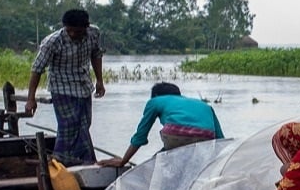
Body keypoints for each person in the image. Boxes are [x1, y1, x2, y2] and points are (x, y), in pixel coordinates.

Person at [25, 9, 106, 165]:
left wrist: (100, 81)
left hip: (83, 85)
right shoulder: (53, 42)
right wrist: (31, 99)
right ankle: (61, 160)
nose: (73, 34)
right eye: (69, 31)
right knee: (68, 126)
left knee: (84, 125)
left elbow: (96, 55)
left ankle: (83, 160)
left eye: (77, 31)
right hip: (61, 87)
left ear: (86, 27)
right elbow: (37, 69)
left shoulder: (94, 33)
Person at [98, 82, 224, 167]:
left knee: (160, 164)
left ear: (156, 95)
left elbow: (140, 135)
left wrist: (123, 161)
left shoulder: (155, 101)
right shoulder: (204, 105)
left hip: (176, 134)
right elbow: (220, 139)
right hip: (206, 138)